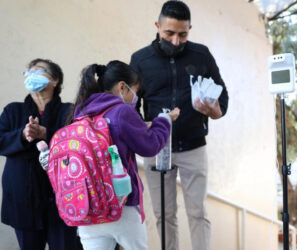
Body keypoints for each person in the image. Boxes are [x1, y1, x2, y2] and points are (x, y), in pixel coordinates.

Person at [130, 1, 229, 249]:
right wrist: (145, 127)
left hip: (193, 146)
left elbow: (223, 98)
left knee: (197, 213)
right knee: (164, 215)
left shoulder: (201, 54)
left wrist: (215, 111)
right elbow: (130, 107)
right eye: (169, 33)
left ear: (190, 29)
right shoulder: (140, 60)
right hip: (157, 147)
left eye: (183, 34)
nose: (176, 41)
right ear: (157, 26)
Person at [68, 60, 180, 250]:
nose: (134, 97)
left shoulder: (80, 113)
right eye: (134, 91)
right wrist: (164, 120)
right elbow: (150, 146)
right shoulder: (121, 111)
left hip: (87, 207)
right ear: (122, 87)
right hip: (121, 205)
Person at [0, 59, 82, 250]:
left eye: (39, 71)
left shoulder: (70, 111)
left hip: (64, 199)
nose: (31, 75)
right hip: (23, 200)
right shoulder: (13, 110)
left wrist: (48, 134)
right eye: (28, 72)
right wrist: (22, 134)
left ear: (55, 80)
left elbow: (80, 144)